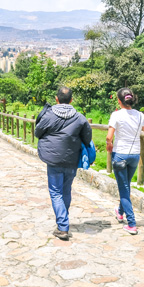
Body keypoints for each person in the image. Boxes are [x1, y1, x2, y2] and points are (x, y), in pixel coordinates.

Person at [35, 86, 92, 241]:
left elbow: (37, 132)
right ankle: (63, 221)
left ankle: (62, 227)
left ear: (57, 99)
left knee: (55, 192)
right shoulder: (80, 118)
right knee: (66, 191)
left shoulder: (48, 115)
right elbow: (87, 138)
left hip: (52, 159)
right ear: (71, 100)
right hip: (71, 159)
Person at [106, 88, 144, 235]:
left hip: (120, 155)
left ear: (119, 101)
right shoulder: (141, 116)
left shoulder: (116, 115)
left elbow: (108, 137)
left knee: (124, 190)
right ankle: (120, 212)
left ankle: (131, 223)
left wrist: (109, 145)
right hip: (134, 156)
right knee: (125, 186)